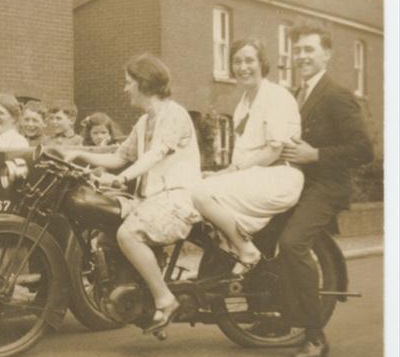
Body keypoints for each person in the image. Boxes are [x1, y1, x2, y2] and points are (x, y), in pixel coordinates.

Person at [65, 54, 201, 334]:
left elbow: (154, 155)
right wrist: (79, 155)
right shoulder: (143, 123)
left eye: (129, 83)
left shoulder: (174, 115)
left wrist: (123, 178)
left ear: (145, 84)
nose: (125, 88)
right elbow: (118, 156)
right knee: (107, 230)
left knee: (128, 234)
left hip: (177, 199)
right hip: (154, 200)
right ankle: (145, 301)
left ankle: (165, 298)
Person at [278, 25, 373, 357]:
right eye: (298, 50)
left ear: (326, 55)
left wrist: (314, 155)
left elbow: (364, 150)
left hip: (327, 187)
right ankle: (282, 315)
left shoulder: (336, 94)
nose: (302, 56)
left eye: (309, 50)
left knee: (292, 243)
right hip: (297, 184)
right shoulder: (293, 95)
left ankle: (314, 336)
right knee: (265, 236)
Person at [192, 38, 304, 273]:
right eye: (237, 61)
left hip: (278, 176)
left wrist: (231, 172)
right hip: (256, 177)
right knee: (197, 185)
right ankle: (229, 248)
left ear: (261, 63)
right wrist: (222, 173)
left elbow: (273, 151)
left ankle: (245, 249)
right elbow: (244, 156)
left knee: (199, 193)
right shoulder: (243, 103)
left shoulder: (276, 96)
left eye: (249, 60)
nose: (243, 67)